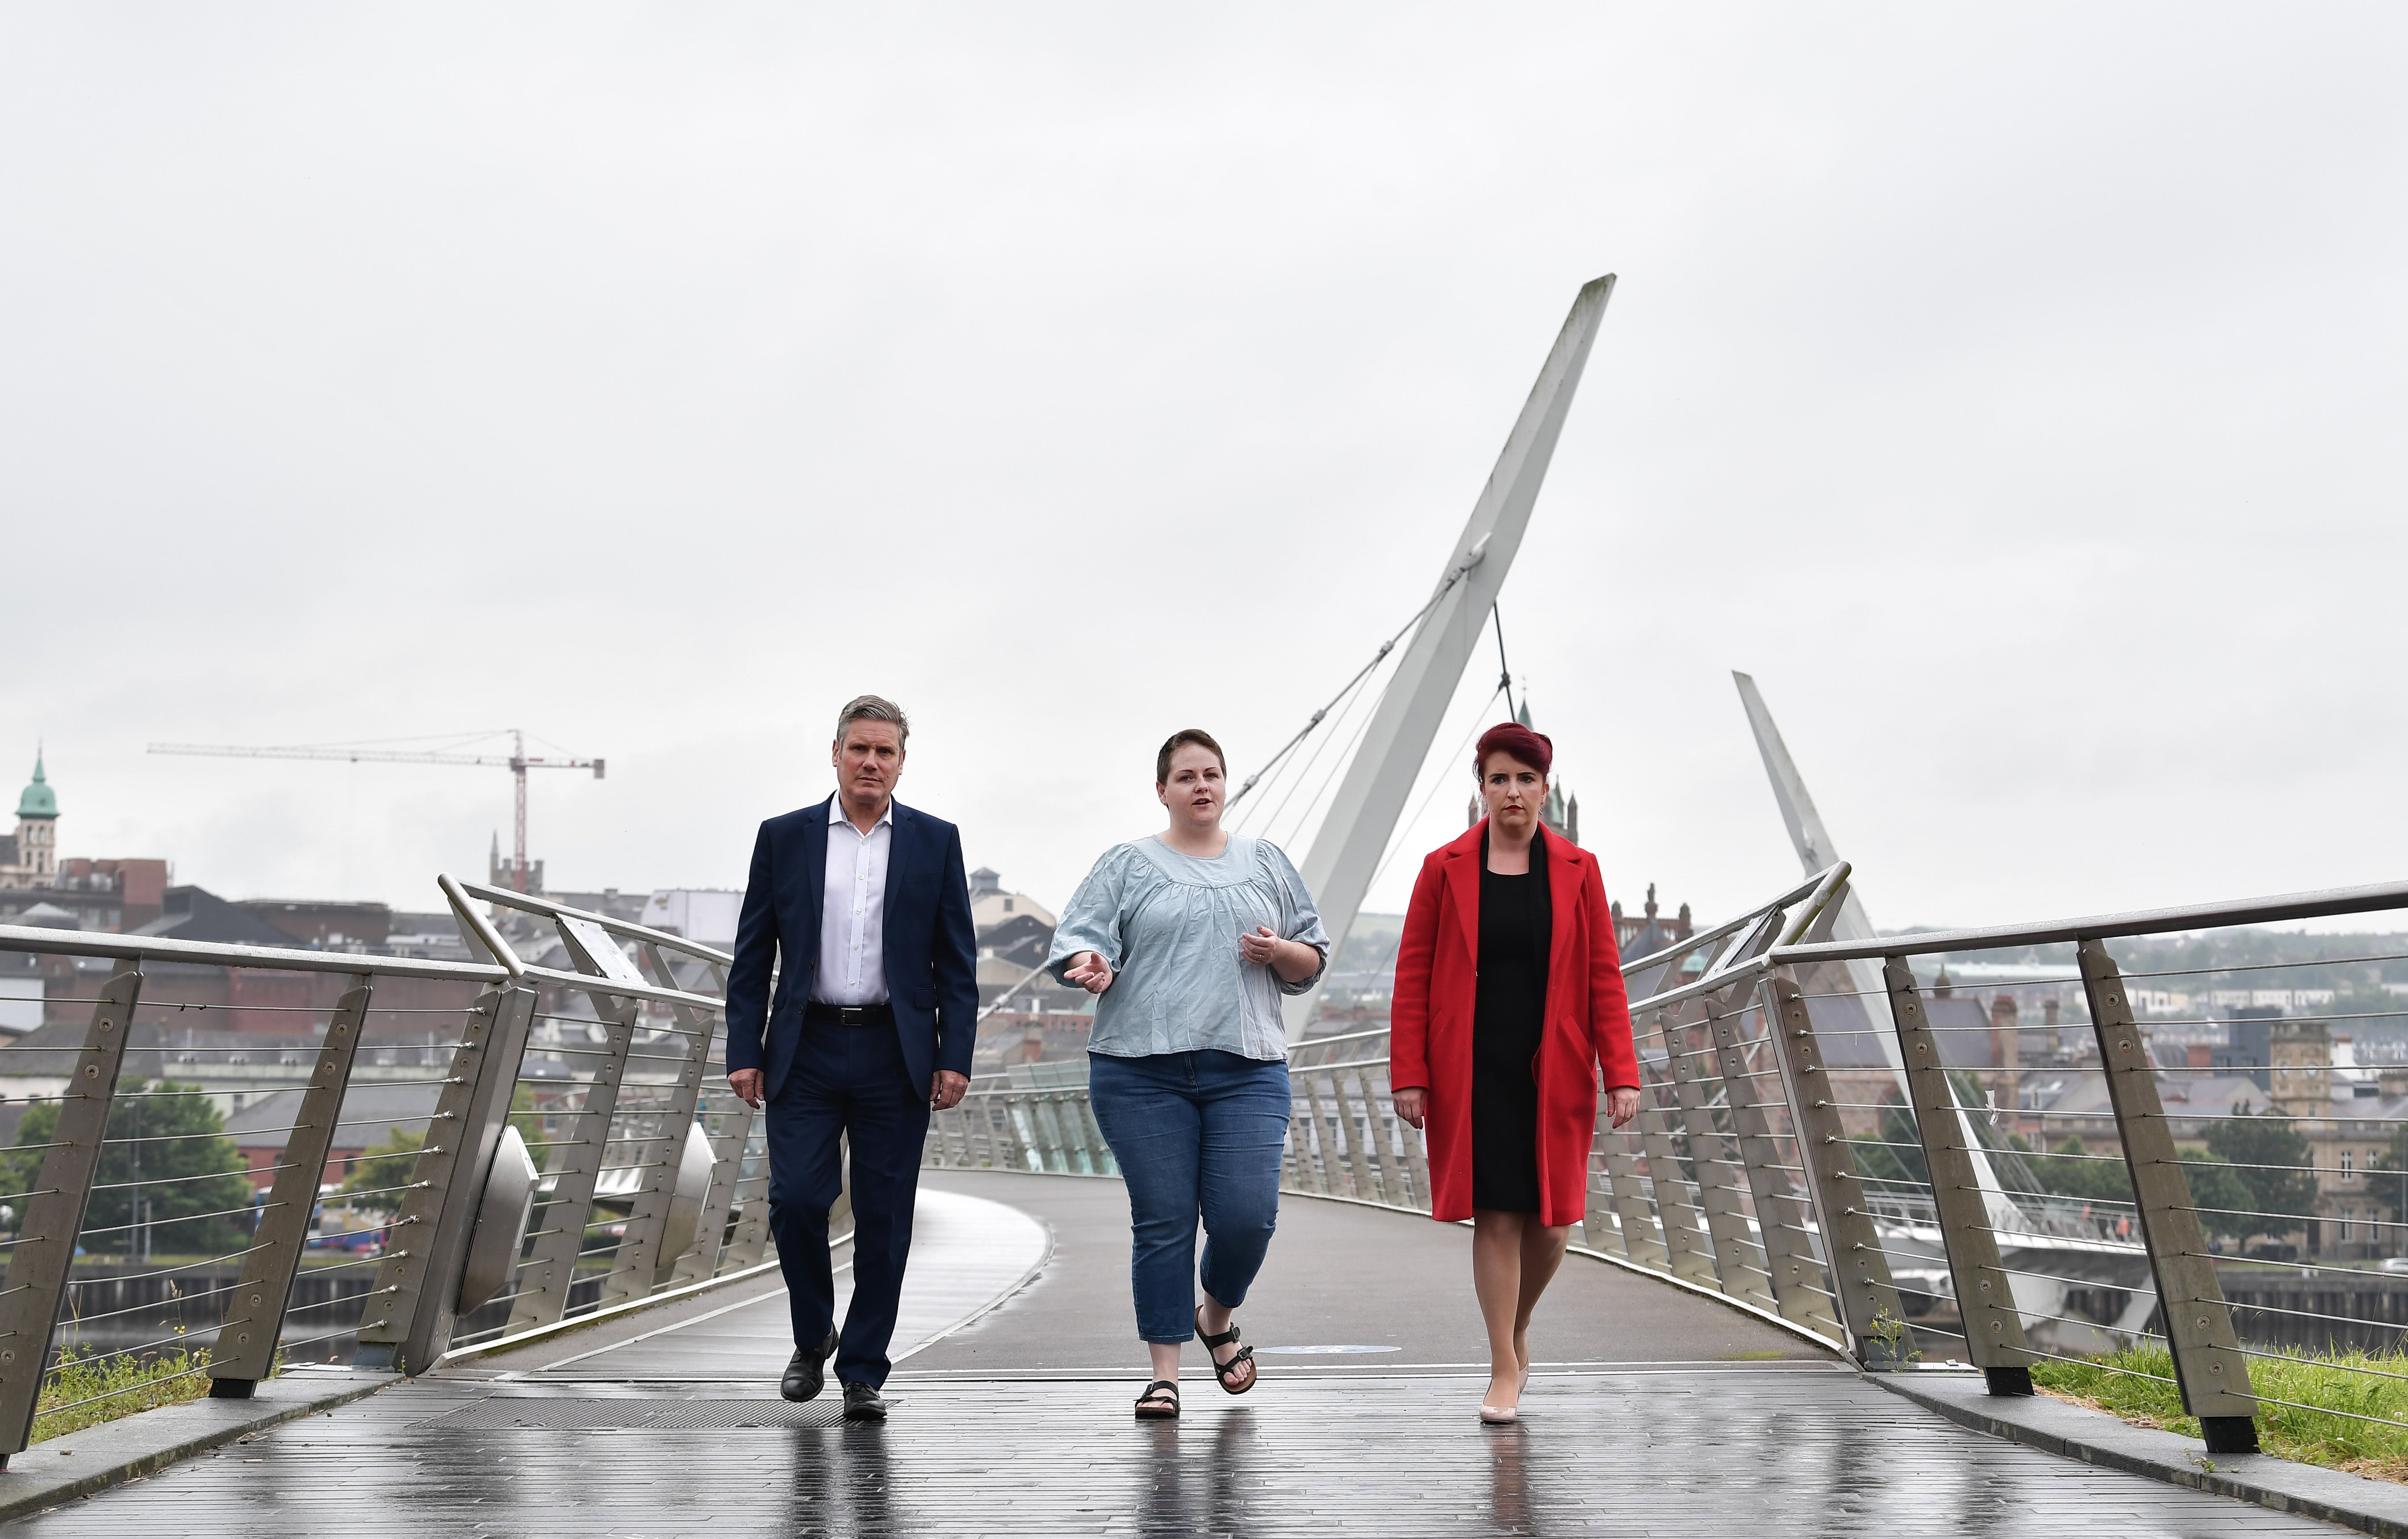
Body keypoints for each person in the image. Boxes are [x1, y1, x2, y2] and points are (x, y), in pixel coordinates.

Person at [1049, 728, 1329, 1421]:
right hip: (1140, 1071)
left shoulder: (1266, 863)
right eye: (1185, 777)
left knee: (1246, 1220)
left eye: (1211, 774)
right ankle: (1164, 1375)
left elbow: (1313, 961)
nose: (1201, 786)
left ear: (1225, 784)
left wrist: (1279, 950)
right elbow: (1082, 938)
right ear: (1162, 791)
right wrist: (1092, 964)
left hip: (1247, 1068)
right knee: (1165, 1219)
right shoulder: (1127, 864)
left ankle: (1216, 1316)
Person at [725, 695, 979, 1422]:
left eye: (886, 752)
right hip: (802, 1049)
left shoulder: (936, 841)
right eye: (860, 749)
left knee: (885, 1217)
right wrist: (746, 1049)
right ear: (835, 754)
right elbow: (754, 954)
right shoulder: (785, 837)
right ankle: (814, 1335)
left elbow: (956, 961)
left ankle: (864, 1370)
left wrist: (953, 1054)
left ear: (902, 762)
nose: (872, 763)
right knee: (797, 1201)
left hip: (893, 1053)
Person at [1388, 720, 1640, 1425]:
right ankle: (1503, 1361)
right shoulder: (1443, 869)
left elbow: (1603, 976)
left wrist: (1620, 1070)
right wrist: (1409, 1071)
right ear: (1482, 790)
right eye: (1499, 779)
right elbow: (1411, 975)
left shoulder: (1579, 870)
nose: (1513, 792)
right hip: (1471, 1067)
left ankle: (1518, 1322)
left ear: (1545, 790)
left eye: (1525, 780)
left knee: (1553, 1226)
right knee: (1496, 1216)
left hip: (1553, 1066)